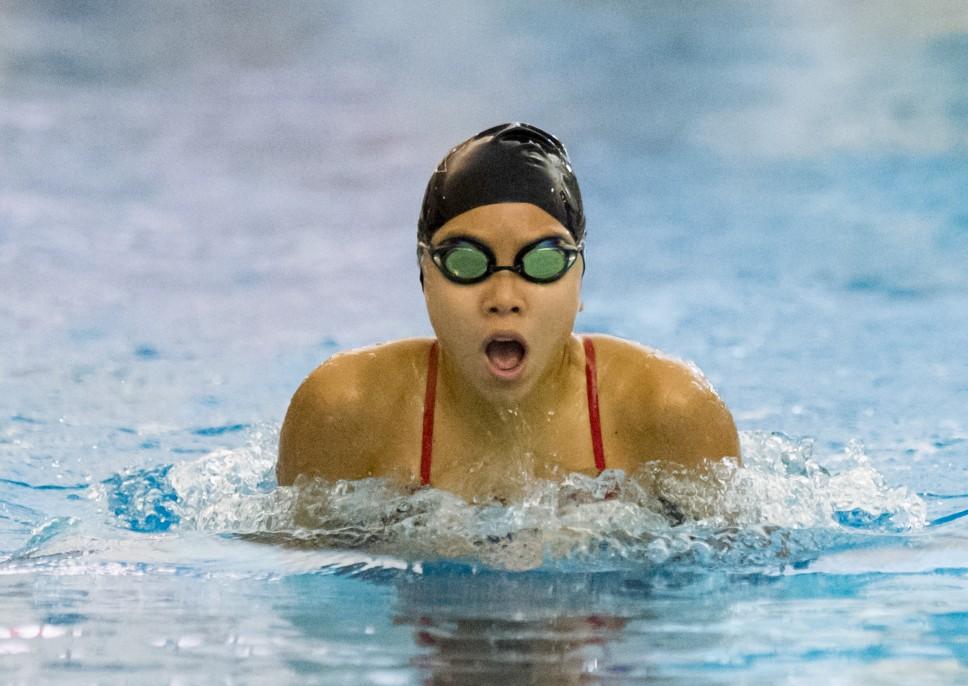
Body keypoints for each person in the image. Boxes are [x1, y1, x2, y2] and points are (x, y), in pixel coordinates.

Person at [276, 123, 739, 502]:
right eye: (466, 262)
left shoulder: (668, 412)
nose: (503, 296)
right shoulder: (346, 411)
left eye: (540, 262)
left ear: (579, 280)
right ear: (425, 277)